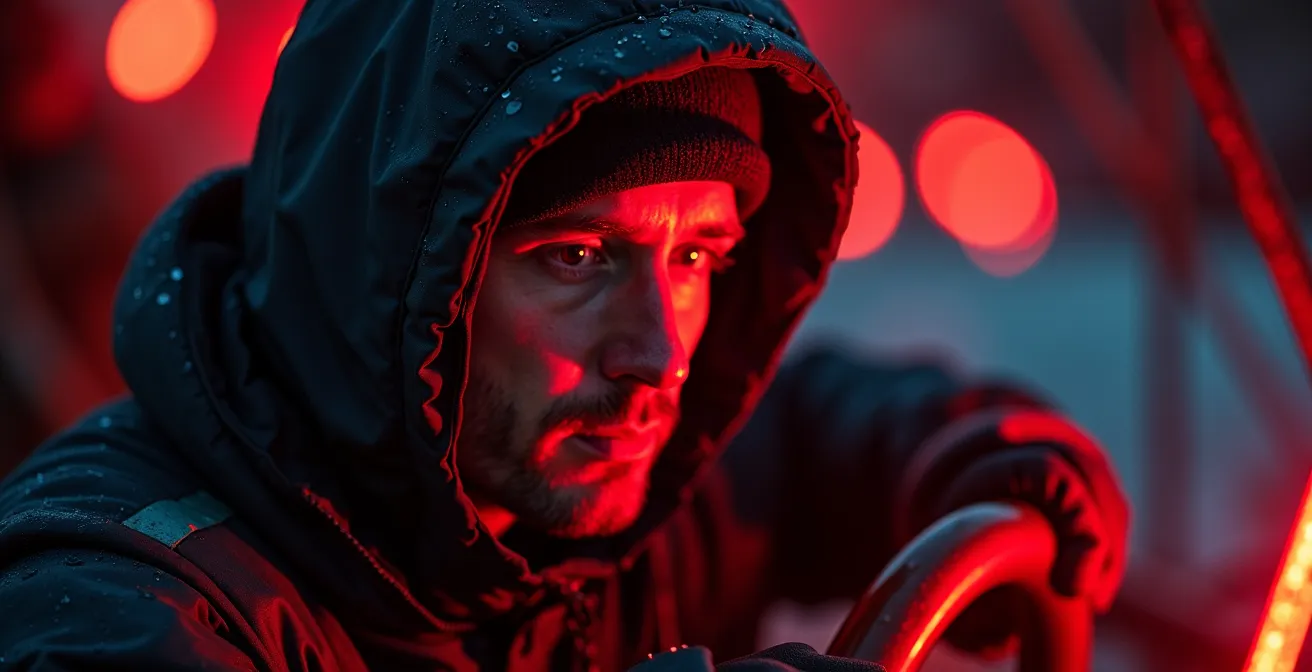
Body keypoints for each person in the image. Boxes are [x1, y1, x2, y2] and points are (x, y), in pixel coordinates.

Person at [0, 1, 1129, 670]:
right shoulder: (116, 600)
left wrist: (962, 456)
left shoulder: (610, 473)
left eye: (696, 258)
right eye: (579, 258)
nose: (656, 354)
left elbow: (800, 428)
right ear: (394, 276)